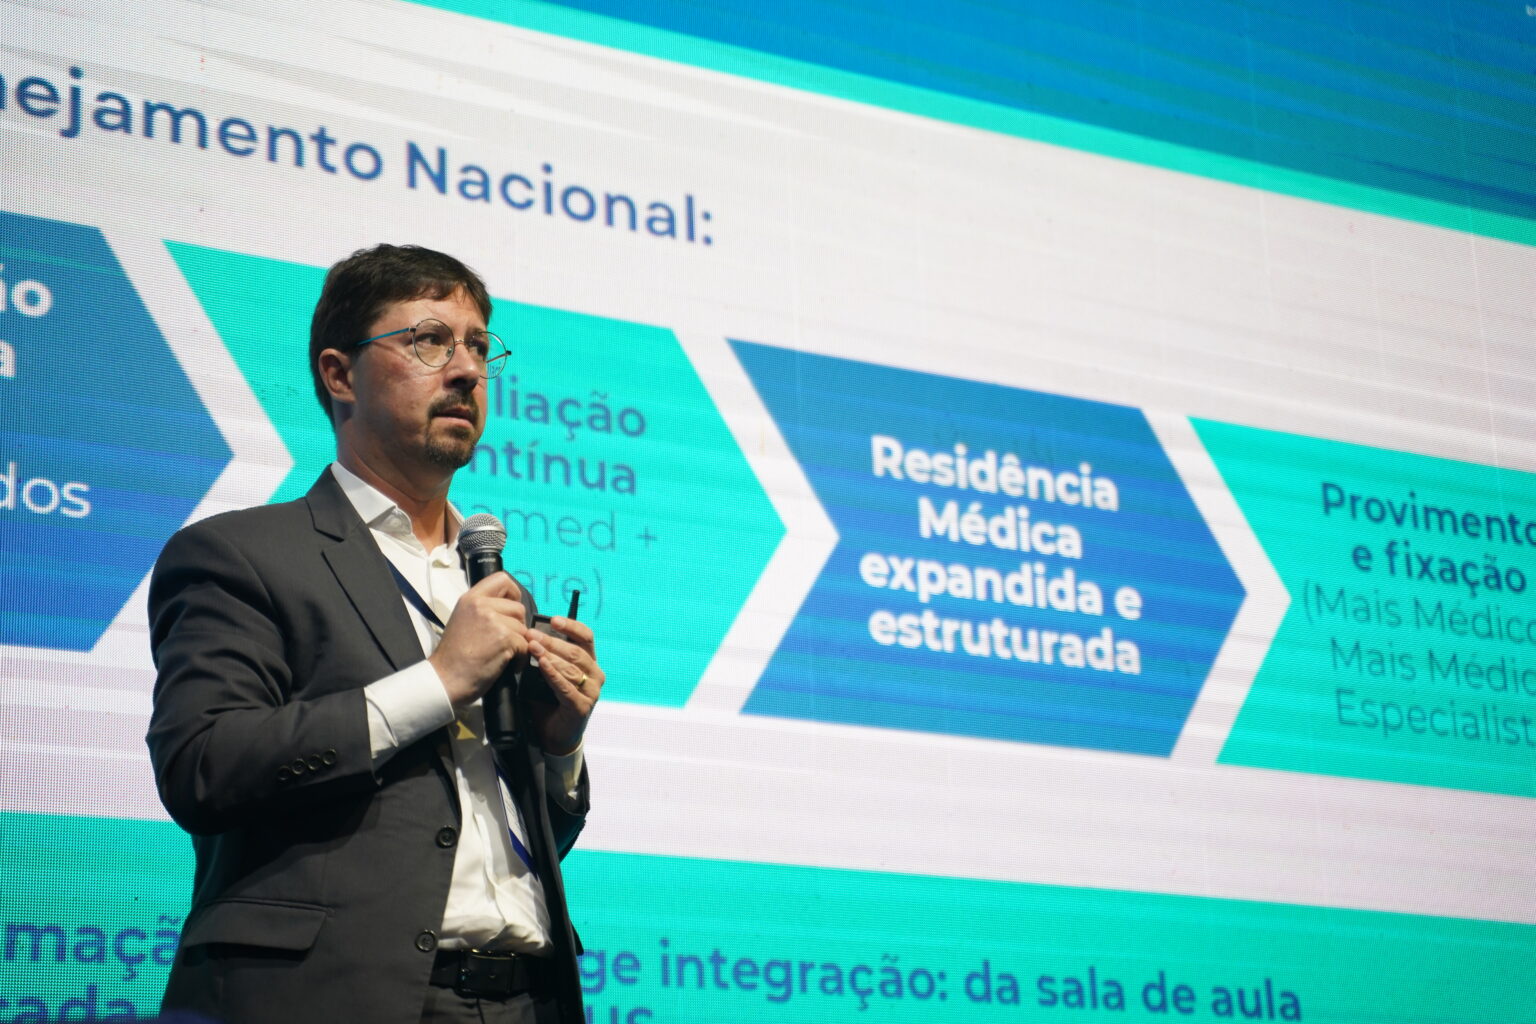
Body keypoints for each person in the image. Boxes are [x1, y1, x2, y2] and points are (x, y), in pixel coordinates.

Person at [145, 244, 602, 1024]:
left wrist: (557, 751)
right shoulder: (239, 555)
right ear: (339, 375)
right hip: (332, 996)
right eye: (429, 341)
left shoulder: (496, 588)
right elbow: (202, 766)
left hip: (527, 998)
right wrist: (439, 682)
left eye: (477, 346)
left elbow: (487, 839)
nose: (467, 370)